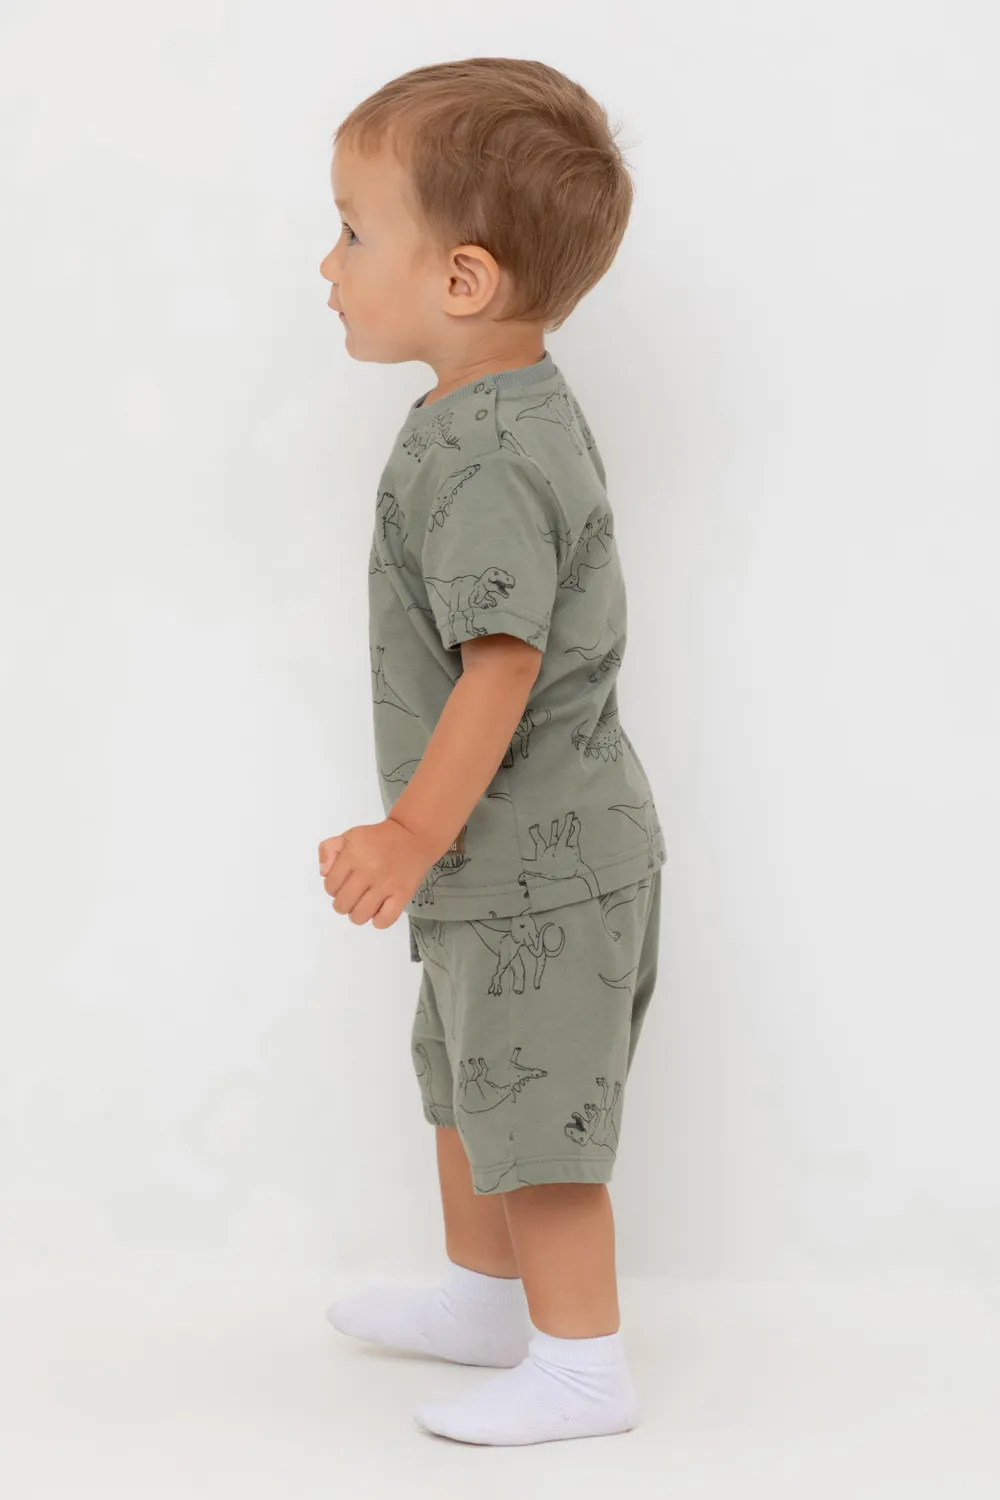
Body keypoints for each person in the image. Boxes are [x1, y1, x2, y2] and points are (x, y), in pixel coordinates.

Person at [317, 56, 667, 1447]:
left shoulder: (491, 457)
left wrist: (409, 833)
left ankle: (584, 1370)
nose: (329, 264)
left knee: (539, 1117)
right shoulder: (479, 415)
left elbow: (501, 665)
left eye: (354, 232)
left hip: (543, 871)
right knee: (468, 1082)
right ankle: (483, 1300)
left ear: (462, 279)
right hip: (497, 864)